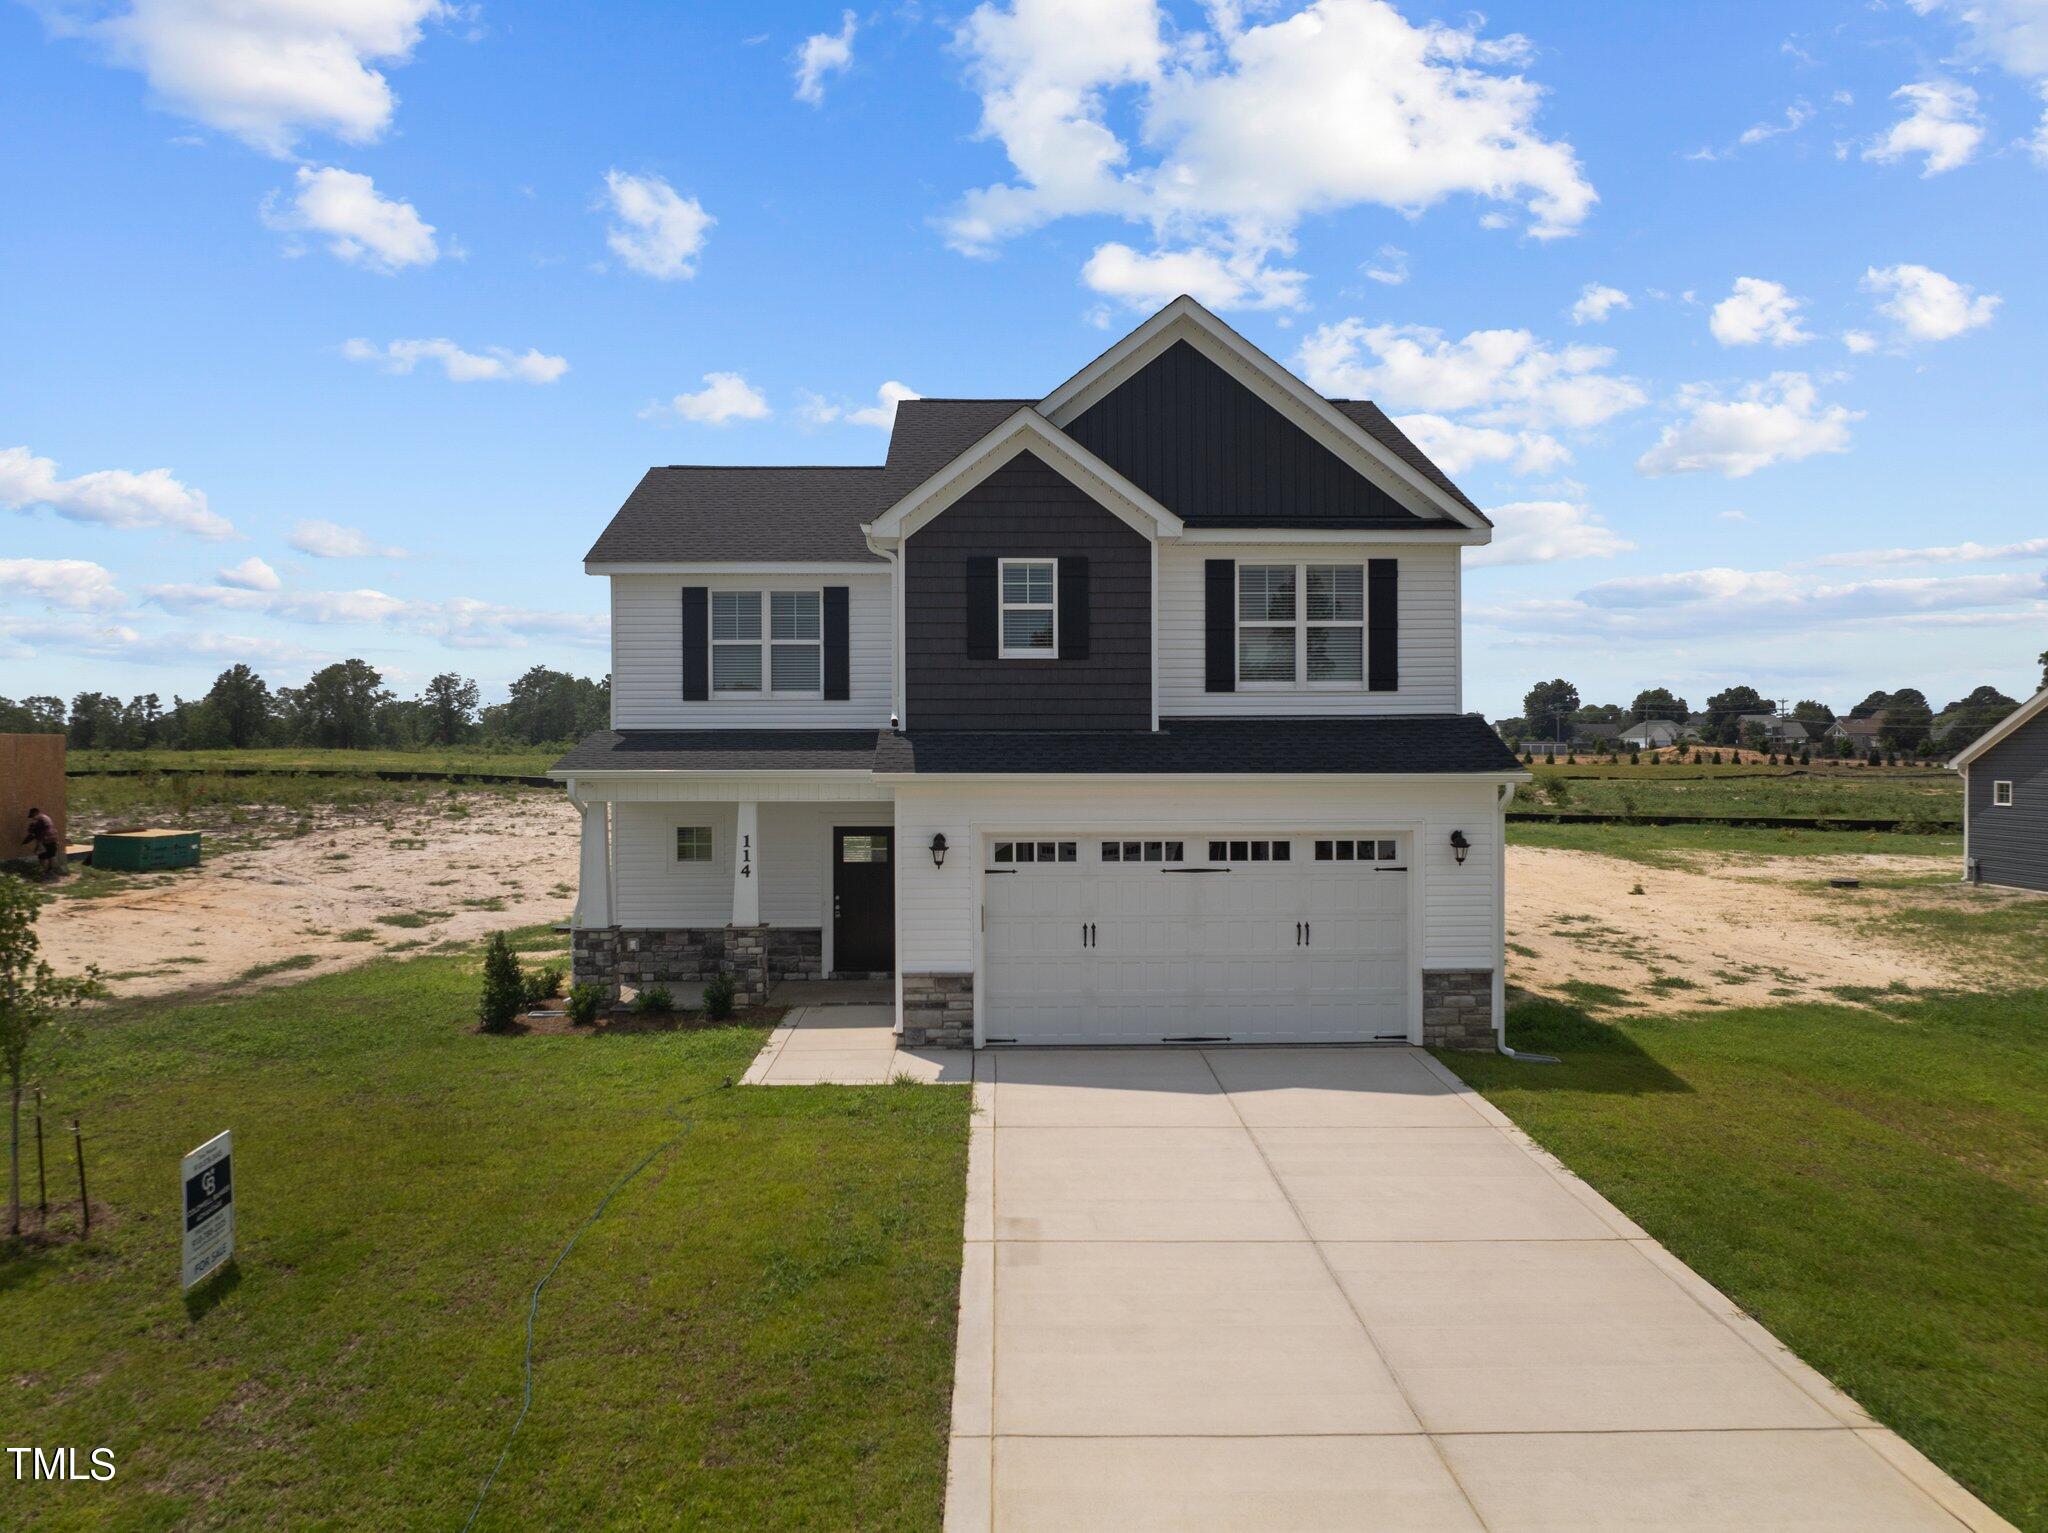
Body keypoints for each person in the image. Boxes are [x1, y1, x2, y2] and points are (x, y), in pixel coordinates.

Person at [22, 806, 59, 878]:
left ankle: (44, 874)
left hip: (45, 839)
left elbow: (33, 832)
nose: (32, 818)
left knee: (42, 857)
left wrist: (26, 841)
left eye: (32, 816)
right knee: (51, 855)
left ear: (35, 813)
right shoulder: (46, 817)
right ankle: (51, 872)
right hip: (54, 838)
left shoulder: (37, 819)